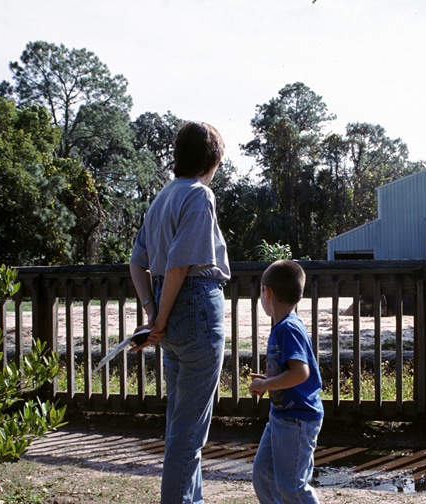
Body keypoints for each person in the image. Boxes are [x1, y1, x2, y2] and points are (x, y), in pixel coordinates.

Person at [129, 121, 230, 504]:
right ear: (214, 158)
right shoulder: (199, 195)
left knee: (181, 424)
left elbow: (137, 264)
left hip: (171, 317)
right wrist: (160, 318)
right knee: (188, 432)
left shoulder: (161, 199)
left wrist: (155, 313)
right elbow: (180, 264)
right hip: (196, 310)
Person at [249, 260, 324, 504]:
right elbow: (289, 373)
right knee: (264, 475)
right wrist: (268, 380)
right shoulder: (283, 326)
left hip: (297, 420)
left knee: (292, 486)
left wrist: (265, 385)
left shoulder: (289, 328)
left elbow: (300, 373)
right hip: (281, 416)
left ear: (266, 292)